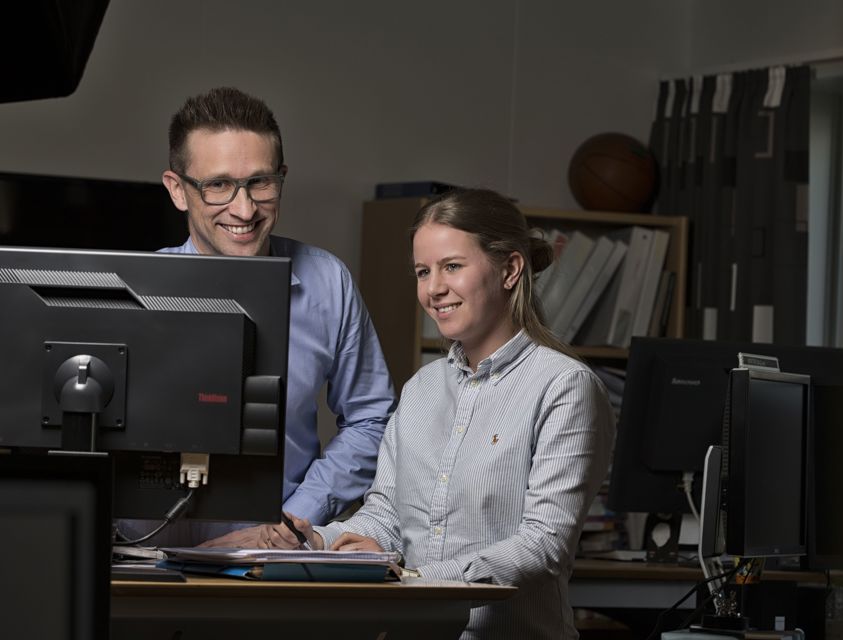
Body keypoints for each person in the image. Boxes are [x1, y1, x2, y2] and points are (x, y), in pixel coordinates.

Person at [272, 188, 615, 638]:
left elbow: (543, 545)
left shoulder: (563, 386)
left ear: (510, 269)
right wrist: (319, 541)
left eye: (452, 266)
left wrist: (418, 580)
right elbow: (386, 517)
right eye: (422, 271)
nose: (434, 289)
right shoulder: (421, 390)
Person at [138, 87, 396, 546]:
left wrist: (296, 517)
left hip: (271, 555)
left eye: (260, 182)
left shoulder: (327, 282)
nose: (244, 209)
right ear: (178, 190)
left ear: (281, 178)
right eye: (217, 184)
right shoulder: (135, 289)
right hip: (150, 554)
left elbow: (371, 418)